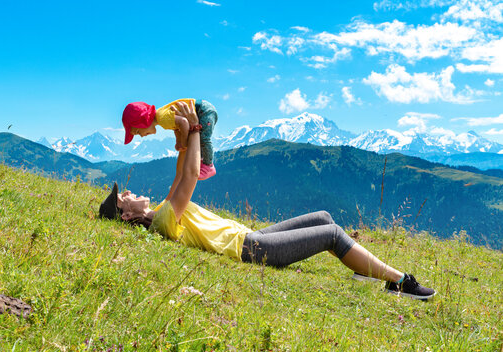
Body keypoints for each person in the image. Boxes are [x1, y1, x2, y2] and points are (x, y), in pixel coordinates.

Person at [101, 101, 435, 300]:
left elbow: (180, 175)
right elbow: (189, 179)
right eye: (123, 199)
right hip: (252, 250)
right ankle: (399, 282)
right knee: (332, 236)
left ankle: (366, 271)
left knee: (324, 217)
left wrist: (184, 135)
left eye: (123, 191)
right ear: (128, 217)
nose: (127, 192)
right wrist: (196, 129)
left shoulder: (163, 209)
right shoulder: (161, 222)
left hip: (253, 236)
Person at [122, 98, 218, 180]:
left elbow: (184, 122)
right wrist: (178, 141)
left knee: (204, 139)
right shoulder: (162, 117)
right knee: (200, 140)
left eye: (138, 132)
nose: (142, 136)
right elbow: (177, 127)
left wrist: (184, 143)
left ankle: (209, 166)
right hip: (203, 109)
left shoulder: (162, 119)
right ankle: (203, 161)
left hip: (204, 111)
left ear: (143, 121)